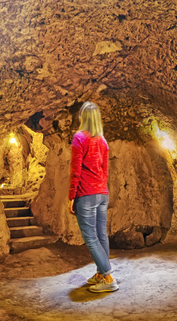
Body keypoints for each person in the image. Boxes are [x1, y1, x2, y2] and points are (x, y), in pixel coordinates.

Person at [68, 101, 119, 293]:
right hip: (101, 193)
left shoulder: (79, 138)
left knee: (90, 238)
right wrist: (102, 189)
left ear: (83, 118)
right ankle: (100, 273)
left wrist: (72, 196)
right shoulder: (103, 141)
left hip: (86, 194)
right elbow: (105, 170)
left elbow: (76, 170)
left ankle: (108, 277)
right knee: (101, 235)